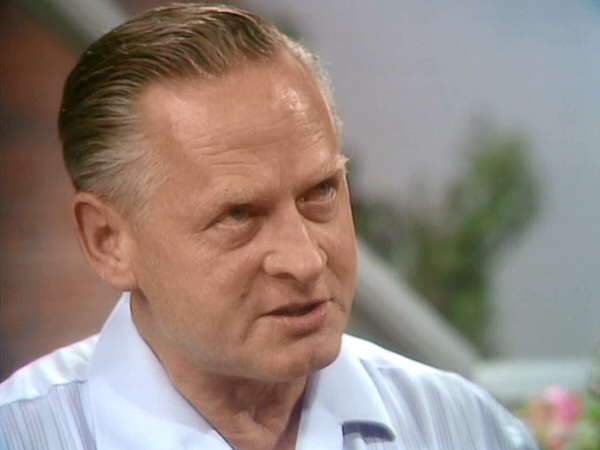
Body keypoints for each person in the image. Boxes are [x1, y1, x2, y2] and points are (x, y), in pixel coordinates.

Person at [0, 4, 538, 449]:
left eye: (321, 192)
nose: (306, 261)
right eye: (238, 215)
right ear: (108, 242)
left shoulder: (465, 429)